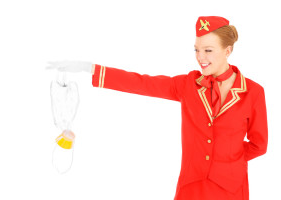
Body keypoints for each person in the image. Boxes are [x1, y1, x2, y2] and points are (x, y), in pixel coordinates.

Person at [47, 16, 268, 200]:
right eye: (196, 50)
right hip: (191, 186)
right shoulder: (187, 85)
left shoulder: (253, 92)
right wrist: (90, 68)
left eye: (208, 50)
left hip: (230, 188)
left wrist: (228, 160)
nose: (200, 58)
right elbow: (142, 83)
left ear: (228, 50)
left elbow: (259, 145)